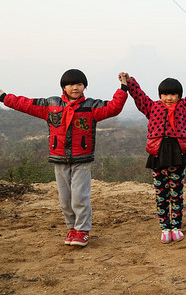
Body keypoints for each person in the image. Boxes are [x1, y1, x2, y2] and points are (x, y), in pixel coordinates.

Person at [0, 69, 128, 247]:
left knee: (80, 197)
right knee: (65, 199)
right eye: (70, 84)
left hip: (82, 160)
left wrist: (123, 87)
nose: (75, 87)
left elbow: (114, 107)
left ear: (84, 86)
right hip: (59, 159)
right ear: (63, 87)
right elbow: (25, 104)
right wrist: (3, 96)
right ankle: (72, 228)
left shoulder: (91, 106)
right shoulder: (51, 104)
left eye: (79, 84)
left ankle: (82, 230)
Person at [121, 72, 186, 244]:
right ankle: (165, 228)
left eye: (173, 94)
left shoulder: (185, 107)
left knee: (176, 193)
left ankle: (176, 227)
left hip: (177, 155)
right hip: (157, 155)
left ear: (179, 95)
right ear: (160, 95)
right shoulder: (152, 107)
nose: (169, 98)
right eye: (165, 94)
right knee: (161, 194)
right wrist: (130, 82)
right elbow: (140, 97)